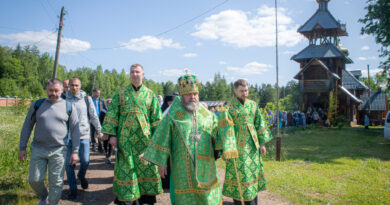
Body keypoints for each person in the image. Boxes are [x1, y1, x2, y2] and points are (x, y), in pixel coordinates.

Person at [142, 73, 237, 205]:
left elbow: (218, 138)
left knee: (207, 200)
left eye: (195, 94)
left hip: (206, 168)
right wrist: (161, 162)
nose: (192, 97)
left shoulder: (208, 116)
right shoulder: (173, 115)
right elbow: (162, 137)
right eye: (188, 94)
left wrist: (227, 143)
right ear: (181, 96)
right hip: (182, 170)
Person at [101, 64, 163, 205]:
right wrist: (112, 135)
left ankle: (146, 199)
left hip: (145, 141)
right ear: (129, 75)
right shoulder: (121, 93)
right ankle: (128, 200)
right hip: (125, 140)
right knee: (126, 169)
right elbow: (112, 114)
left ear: (143, 74)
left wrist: (157, 139)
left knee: (146, 168)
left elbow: (157, 119)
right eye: (132, 72)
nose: (135, 74)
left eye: (137, 72)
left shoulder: (150, 94)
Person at [18, 79, 80, 205]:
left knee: (56, 182)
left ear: (62, 90)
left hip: (59, 150)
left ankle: (52, 202)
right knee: (34, 180)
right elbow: (27, 126)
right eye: (50, 90)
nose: (53, 93)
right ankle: (43, 196)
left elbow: (75, 130)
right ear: (46, 90)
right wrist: (22, 147)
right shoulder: (37, 105)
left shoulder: (69, 107)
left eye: (56, 90)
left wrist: (75, 151)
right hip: (38, 148)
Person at [220, 79, 272, 205]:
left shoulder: (253, 105)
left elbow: (259, 123)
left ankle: (254, 202)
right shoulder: (228, 108)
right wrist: (227, 150)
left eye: (246, 90)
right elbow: (226, 130)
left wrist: (262, 144)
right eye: (242, 91)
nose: (245, 93)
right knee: (241, 179)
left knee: (253, 177)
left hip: (253, 149)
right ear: (235, 90)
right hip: (237, 150)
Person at [65, 77, 102, 199]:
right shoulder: (63, 99)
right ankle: (73, 188)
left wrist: (99, 131)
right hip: (68, 137)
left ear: (80, 86)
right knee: (69, 164)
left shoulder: (87, 99)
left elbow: (93, 115)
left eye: (76, 85)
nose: (74, 87)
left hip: (83, 134)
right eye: (72, 85)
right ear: (68, 86)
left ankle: (81, 176)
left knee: (85, 160)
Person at [91, 88, 107, 152]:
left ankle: (100, 146)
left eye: (99, 93)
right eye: (97, 93)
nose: (98, 94)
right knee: (93, 132)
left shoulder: (101, 100)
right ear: (94, 93)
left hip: (100, 118)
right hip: (92, 118)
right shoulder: (90, 100)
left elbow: (104, 109)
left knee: (100, 132)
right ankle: (94, 145)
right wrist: (89, 118)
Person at [102, 98, 113, 164]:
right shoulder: (103, 111)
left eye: (110, 103)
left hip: (112, 129)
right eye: (108, 103)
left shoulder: (114, 111)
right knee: (105, 142)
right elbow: (101, 120)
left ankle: (109, 155)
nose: (109, 104)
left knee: (111, 143)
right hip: (105, 129)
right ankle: (106, 153)